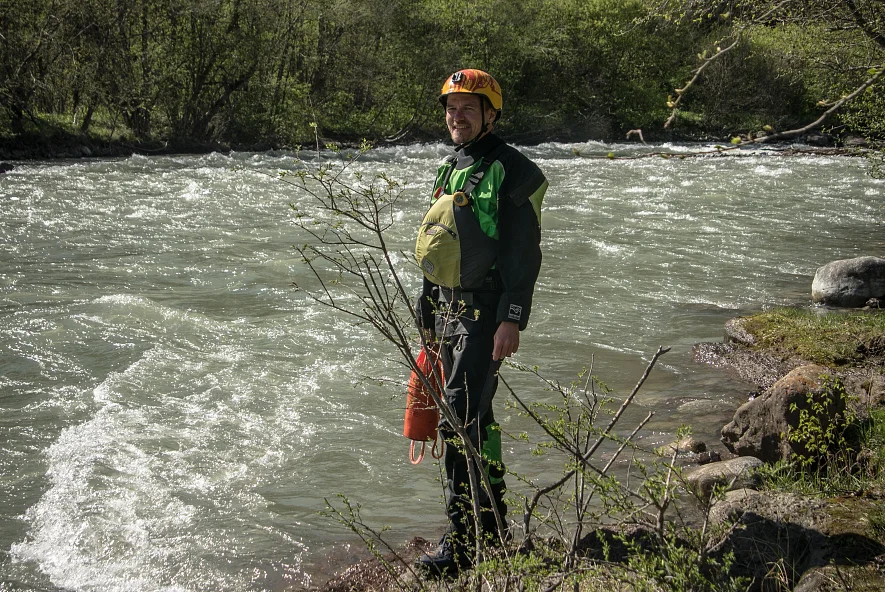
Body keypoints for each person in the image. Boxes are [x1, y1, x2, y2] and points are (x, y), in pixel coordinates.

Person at [413, 69, 548, 574]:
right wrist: (426, 316)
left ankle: (466, 545)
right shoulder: (449, 169)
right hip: (447, 312)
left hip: (486, 315)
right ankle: (493, 528)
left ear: (491, 114)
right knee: (476, 419)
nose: (457, 116)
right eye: (451, 108)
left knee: (458, 421)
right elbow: (438, 247)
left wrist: (512, 319)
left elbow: (522, 252)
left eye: (469, 108)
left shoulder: (516, 171)